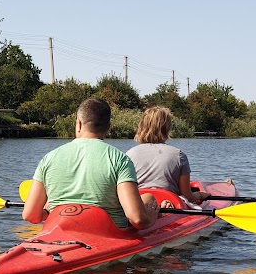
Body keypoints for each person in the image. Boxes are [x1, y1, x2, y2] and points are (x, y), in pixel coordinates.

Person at [22, 98, 160, 230]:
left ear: (79, 124)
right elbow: (137, 219)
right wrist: (151, 220)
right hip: (109, 236)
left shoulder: (48, 158)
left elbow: (30, 215)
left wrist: (46, 212)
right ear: (108, 128)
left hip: (60, 232)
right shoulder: (120, 159)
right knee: (148, 197)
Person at [126, 106, 209, 206]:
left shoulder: (129, 154)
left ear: (142, 127)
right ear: (167, 128)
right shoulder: (179, 155)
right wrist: (200, 195)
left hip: (139, 206)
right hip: (170, 206)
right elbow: (187, 197)